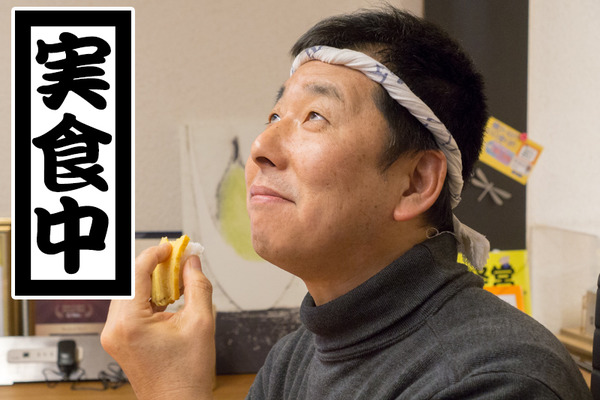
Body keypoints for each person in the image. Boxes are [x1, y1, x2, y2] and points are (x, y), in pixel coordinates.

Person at [101, 6, 592, 399]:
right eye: (274, 115)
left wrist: (172, 389)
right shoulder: (292, 359)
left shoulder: (500, 379)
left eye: (315, 116)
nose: (260, 147)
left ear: (416, 182)